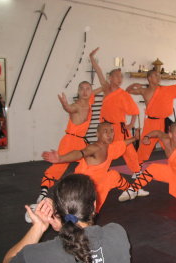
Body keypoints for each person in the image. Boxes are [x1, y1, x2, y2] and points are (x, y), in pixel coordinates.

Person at [3, 174, 131, 263]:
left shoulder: (43, 254)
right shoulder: (117, 233)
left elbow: (9, 260)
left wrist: (38, 227)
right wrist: (64, 227)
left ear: (57, 212)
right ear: (94, 205)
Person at [42, 122, 145, 213]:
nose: (110, 135)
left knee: (113, 175)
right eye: (105, 131)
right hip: (84, 186)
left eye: (111, 131)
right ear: (97, 134)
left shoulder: (110, 147)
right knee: (79, 210)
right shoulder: (94, 148)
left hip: (100, 181)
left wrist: (134, 138)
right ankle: (47, 210)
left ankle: (131, 190)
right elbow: (79, 153)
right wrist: (60, 159)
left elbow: (122, 143)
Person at [33, 81, 102, 212]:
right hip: (69, 140)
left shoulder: (90, 101)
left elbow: (102, 87)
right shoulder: (76, 106)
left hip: (81, 142)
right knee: (58, 167)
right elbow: (69, 109)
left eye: (88, 89)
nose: (85, 91)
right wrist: (64, 104)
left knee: (88, 165)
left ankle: (83, 194)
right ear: (78, 91)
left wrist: (94, 61)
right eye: (82, 89)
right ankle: (43, 193)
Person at [89, 47, 149, 197]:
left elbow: (135, 111)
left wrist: (131, 124)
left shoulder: (123, 94)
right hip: (106, 129)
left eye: (121, 76)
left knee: (130, 154)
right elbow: (99, 72)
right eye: (117, 76)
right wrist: (91, 59)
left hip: (120, 129)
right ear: (110, 78)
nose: (120, 79)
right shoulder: (106, 89)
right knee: (104, 153)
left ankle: (138, 184)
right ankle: (97, 178)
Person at [126, 70, 176, 164]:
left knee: (171, 143)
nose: (159, 77)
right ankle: (137, 168)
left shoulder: (166, 89)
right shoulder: (144, 90)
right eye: (156, 75)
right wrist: (134, 84)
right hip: (151, 123)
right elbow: (128, 91)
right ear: (149, 78)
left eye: (159, 75)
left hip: (164, 122)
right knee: (144, 147)